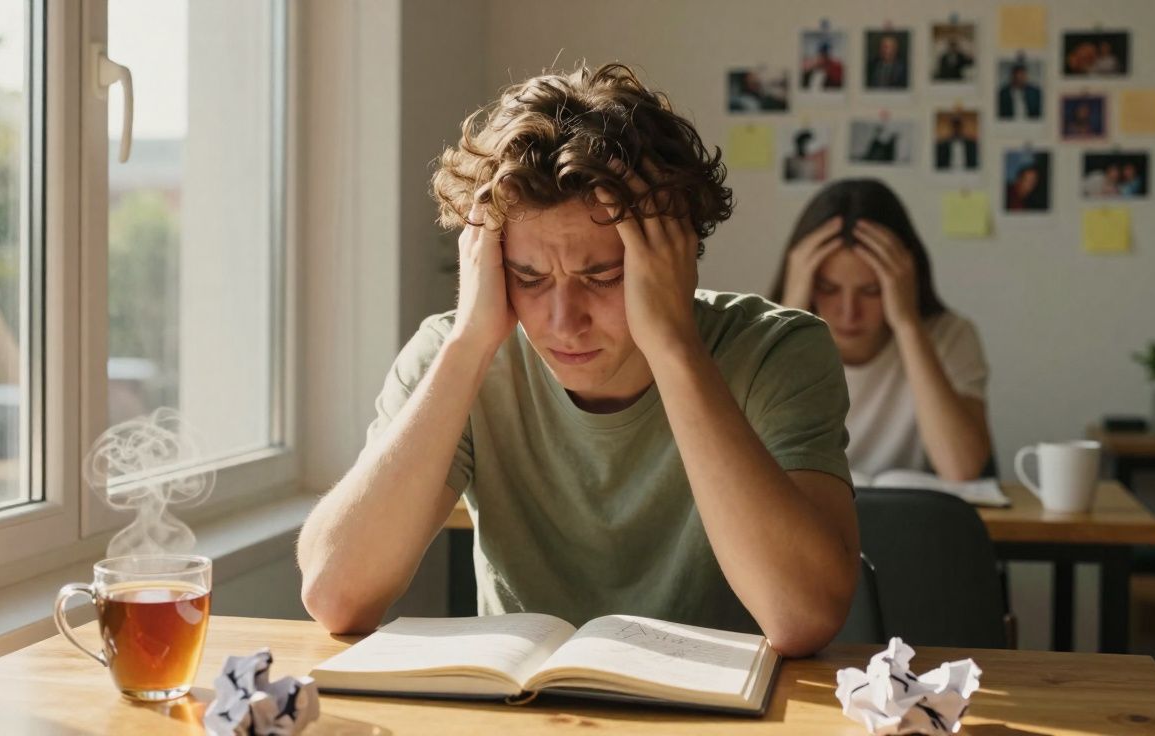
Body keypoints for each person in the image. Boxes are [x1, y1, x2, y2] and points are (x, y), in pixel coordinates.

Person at [297, 63, 859, 656]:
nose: (564, 322)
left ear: (677, 255)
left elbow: (804, 616)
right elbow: (337, 596)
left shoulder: (778, 351)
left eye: (603, 276)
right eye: (529, 278)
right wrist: (467, 345)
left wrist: (673, 345)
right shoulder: (454, 353)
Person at [768, 179, 992, 480]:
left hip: (905, 522)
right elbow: (746, 466)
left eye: (871, 290)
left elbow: (961, 467)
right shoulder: (766, 334)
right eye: (829, 288)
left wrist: (907, 324)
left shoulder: (950, 335)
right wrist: (789, 313)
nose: (849, 312)